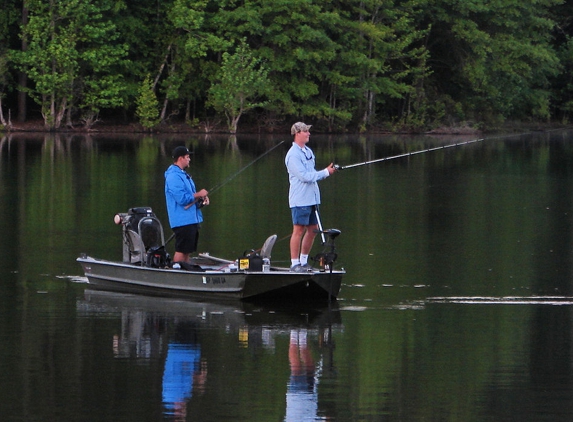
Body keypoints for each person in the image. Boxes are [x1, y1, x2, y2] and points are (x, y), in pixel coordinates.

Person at [285, 122, 336, 272]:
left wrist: (327, 172)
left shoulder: (308, 151)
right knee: (298, 230)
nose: (309, 134)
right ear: (297, 133)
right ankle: (294, 264)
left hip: (312, 198)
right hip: (299, 199)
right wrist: (326, 172)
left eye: (308, 131)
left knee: (313, 229)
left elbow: (312, 173)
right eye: (306, 131)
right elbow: (305, 176)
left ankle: (303, 261)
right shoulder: (292, 155)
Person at [165, 146, 209, 264]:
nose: (189, 159)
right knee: (181, 250)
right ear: (180, 158)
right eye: (187, 157)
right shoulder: (173, 176)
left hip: (191, 220)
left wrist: (201, 200)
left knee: (187, 251)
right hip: (182, 221)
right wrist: (199, 194)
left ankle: (185, 273)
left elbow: (190, 198)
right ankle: (176, 273)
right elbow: (182, 199)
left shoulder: (183, 175)